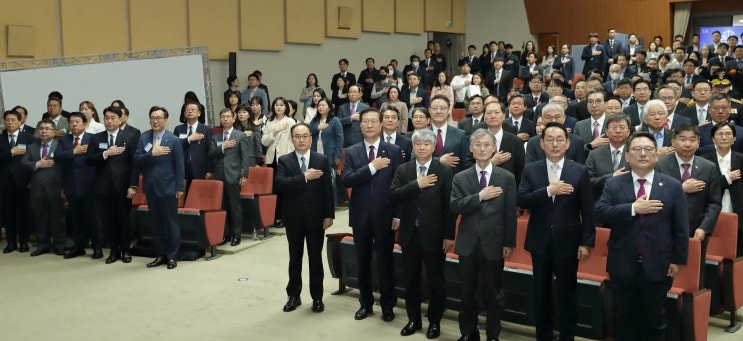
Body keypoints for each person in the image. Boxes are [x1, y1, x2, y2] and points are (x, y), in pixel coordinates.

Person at [595, 131, 689, 341]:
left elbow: (681, 227)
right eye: (637, 150)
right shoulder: (614, 183)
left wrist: (678, 259)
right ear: (627, 156)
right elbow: (599, 212)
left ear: (657, 155)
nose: (643, 154)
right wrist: (632, 208)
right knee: (624, 316)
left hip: (658, 262)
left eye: (648, 149)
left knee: (654, 317)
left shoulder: (672, 186)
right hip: (622, 262)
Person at [517, 122, 595, 341]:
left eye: (559, 139)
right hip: (539, 240)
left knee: (567, 292)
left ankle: (567, 336)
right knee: (541, 292)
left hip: (569, 241)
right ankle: (543, 335)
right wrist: (548, 191)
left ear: (567, 143)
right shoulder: (531, 169)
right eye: (549, 139)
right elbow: (521, 199)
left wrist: (586, 242)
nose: (554, 144)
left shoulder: (579, 171)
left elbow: (588, 210)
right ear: (541, 143)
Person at [450, 128, 517, 341]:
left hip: (494, 243)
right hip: (468, 243)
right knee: (467, 293)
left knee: (494, 293)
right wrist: (479, 196)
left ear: (494, 148)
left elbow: (510, 214)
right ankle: (468, 332)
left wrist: (509, 242)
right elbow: (455, 206)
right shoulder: (460, 177)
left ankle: (493, 334)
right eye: (477, 144)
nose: (482, 148)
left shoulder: (506, 177)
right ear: (470, 148)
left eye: (486, 144)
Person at [389, 128, 454, 339]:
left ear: (433, 147)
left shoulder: (443, 171)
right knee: (411, 280)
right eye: (418, 144)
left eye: (426, 144)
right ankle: (413, 320)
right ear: (413, 147)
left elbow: (450, 207)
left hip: (434, 234)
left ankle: (434, 322)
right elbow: (393, 194)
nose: (422, 147)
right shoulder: (404, 169)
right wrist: (416, 184)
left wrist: (449, 234)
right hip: (410, 233)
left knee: (436, 281)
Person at [341, 108, 403, 322]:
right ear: (360, 125)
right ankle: (365, 304)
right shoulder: (352, 151)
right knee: (363, 261)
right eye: (365, 121)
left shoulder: (393, 151)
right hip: (360, 216)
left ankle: (388, 305)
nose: (369, 125)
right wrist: (371, 167)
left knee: (386, 262)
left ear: (381, 124)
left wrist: (398, 215)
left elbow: (399, 185)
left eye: (373, 121)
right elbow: (347, 179)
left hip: (386, 216)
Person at [274, 122, 334, 313]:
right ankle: (293, 295)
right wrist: (304, 177)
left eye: (305, 136)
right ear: (292, 139)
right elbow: (280, 184)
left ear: (311, 138)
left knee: (316, 258)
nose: (301, 140)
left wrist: (329, 214)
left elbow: (327, 190)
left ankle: (317, 297)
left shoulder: (321, 159)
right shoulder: (284, 160)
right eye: (297, 136)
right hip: (293, 218)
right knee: (295, 258)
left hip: (316, 218)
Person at [655, 123, 721, 286]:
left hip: (695, 230)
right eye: (682, 139)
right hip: (664, 229)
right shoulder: (661, 164)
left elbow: (714, 203)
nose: (687, 144)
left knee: (693, 276)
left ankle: (692, 309)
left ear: (699, 142)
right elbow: (654, 196)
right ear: (673, 141)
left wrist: (704, 228)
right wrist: (681, 188)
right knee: (662, 275)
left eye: (692, 140)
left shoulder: (709, 167)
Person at [86, 105, 139, 264]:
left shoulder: (129, 136)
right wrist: (105, 153)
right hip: (103, 186)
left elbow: (134, 163)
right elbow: (89, 160)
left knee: (123, 219)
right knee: (108, 220)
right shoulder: (97, 138)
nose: (109, 121)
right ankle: (114, 251)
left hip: (123, 185)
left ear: (120, 119)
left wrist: (133, 185)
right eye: (106, 118)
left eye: (113, 118)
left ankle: (126, 250)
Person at [135, 106, 185, 270]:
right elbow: (137, 160)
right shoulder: (144, 138)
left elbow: (179, 166)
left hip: (168, 187)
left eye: (158, 118)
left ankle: (172, 256)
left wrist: (179, 187)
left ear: (166, 120)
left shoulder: (174, 140)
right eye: (152, 118)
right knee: (156, 224)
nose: (155, 121)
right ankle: (160, 254)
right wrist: (152, 154)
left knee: (171, 224)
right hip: (150, 187)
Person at [54, 112, 100, 259]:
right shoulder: (64, 140)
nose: (74, 125)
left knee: (94, 218)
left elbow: (99, 159)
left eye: (77, 122)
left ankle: (97, 247)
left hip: (90, 186)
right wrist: (74, 151)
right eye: (71, 122)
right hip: (71, 186)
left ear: (85, 123)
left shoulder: (93, 139)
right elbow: (57, 157)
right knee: (75, 218)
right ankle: (79, 247)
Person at [209, 108, 254, 245]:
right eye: (223, 117)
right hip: (219, 176)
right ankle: (226, 233)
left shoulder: (240, 135)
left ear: (234, 119)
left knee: (234, 207)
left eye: (228, 116)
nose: (225, 119)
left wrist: (243, 175)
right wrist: (223, 146)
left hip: (233, 175)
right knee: (221, 206)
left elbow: (245, 157)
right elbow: (211, 154)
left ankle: (237, 235)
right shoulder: (215, 137)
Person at [23, 119, 65, 256]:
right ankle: (43, 245)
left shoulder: (61, 145)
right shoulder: (32, 147)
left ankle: (59, 244)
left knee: (57, 218)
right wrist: (37, 164)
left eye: (47, 128)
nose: (43, 131)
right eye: (41, 128)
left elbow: (67, 167)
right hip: (37, 189)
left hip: (56, 188)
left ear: (54, 131)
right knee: (40, 218)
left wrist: (65, 188)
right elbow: (23, 163)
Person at [701, 122, 743, 256]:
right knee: (711, 256)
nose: (724, 137)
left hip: (737, 216)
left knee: (736, 257)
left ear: (734, 138)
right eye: (719, 134)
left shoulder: (741, 159)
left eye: (728, 134)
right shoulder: (703, 161)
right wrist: (727, 179)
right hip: (710, 216)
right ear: (713, 139)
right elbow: (704, 189)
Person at [1, 110, 33, 253]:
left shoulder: (29, 138)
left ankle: (24, 242)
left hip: (23, 181)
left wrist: (31, 180)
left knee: (23, 213)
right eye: (7, 120)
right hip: (4, 182)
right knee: (8, 213)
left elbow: (33, 160)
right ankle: (11, 242)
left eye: (13, 120)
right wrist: (10, 154)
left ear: (20, 122)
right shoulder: (0, 138)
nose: (9, 122)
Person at [585, 113, 632, 203]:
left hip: (629, 205)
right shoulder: (594, 154)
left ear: (629, 131)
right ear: (606, 131)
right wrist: (612, 176)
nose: (618, 131)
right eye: (613, 127)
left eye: (622, 127)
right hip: (601, 204)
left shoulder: (635, 153)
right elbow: (587, 181)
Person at [308, 98, 343, 206]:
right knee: (316, 180)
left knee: (330, 181)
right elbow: (308, 133)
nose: (321, 107)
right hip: (315, 154)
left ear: (329, 107)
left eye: (323, 105)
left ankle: (331, 204)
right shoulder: (314, 121)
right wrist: (318, 127)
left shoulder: (335, 120)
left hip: (330, 155)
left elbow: (340, 138)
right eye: (319, 105)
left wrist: (338, 155)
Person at [173, 101, 214, 192]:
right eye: (187, 110)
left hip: (200, 169)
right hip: (182, 169)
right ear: (184, 113)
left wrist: (210, 170)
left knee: (199, 195)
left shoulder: (206, 129)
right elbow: (175, 147)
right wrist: (189, 139)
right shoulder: (178, 129)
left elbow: (210, 151)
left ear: (199, 113)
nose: (190, 111)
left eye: (193, 109)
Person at [429, 95, 470, 173]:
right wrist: (439, 160)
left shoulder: (461, 135)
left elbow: (466, 163)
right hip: (428, 181)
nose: (438, 111)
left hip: (454, 181)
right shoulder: (421, 135)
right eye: (434, 108)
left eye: (442, 108)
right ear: (429, 110)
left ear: (448, 110)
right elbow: (414, 160)